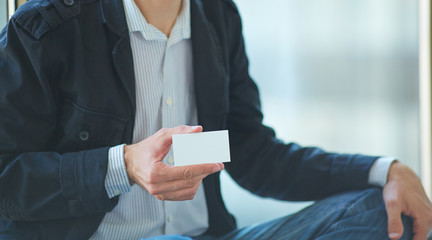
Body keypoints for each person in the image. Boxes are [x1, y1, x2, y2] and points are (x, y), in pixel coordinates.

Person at [0, 0, 431, 239]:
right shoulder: (44, 28)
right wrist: (124, 164)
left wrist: (383, 170)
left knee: (380, 213)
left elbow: (252, 152)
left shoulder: (218, 17)